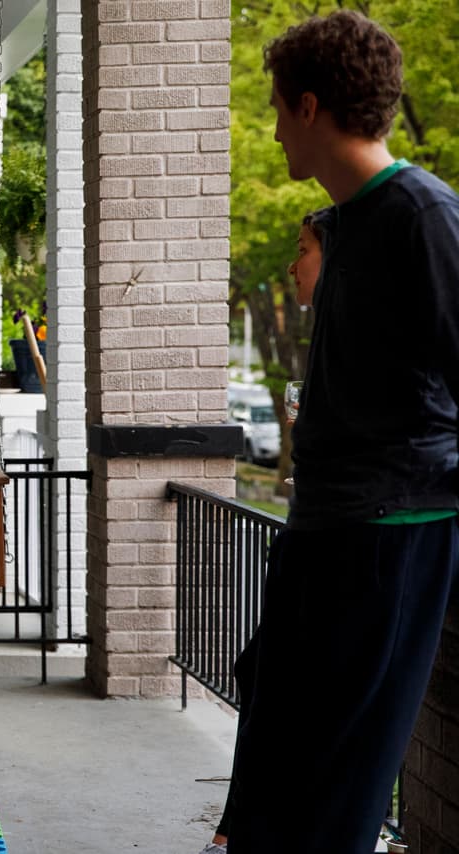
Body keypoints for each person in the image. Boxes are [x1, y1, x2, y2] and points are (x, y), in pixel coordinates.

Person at [217, 11, 459, 853]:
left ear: (310, 107)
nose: (275, 130)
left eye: (277, 109)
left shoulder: (423, 215)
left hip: (391, 538)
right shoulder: (346, 222)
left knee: (332, 800)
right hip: (326, 531)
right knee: (271, 780)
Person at [196, 208, 331, 854]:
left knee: (274, 685)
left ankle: (242, 830)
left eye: (303, 249)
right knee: (257, 673)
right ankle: (237, 827)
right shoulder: (326, 338)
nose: (291, 264)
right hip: (305, 540)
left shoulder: (357, 338)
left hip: (332, 551)